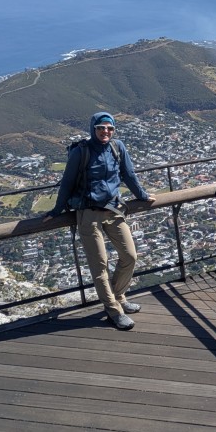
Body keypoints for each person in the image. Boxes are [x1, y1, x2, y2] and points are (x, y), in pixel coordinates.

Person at [49, 111, 153, 330]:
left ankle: (118, 296)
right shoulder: (81, 152)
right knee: (100, 266)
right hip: (88, 214)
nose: (106, 131)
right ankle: (114, 310)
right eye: (101, 127)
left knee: (130, 256)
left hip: (113, 210)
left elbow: (129, 175)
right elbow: (67, 182)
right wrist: (57, 210)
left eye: (110, 128)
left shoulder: (117, 147)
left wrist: (143, 196)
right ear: (93, 128)